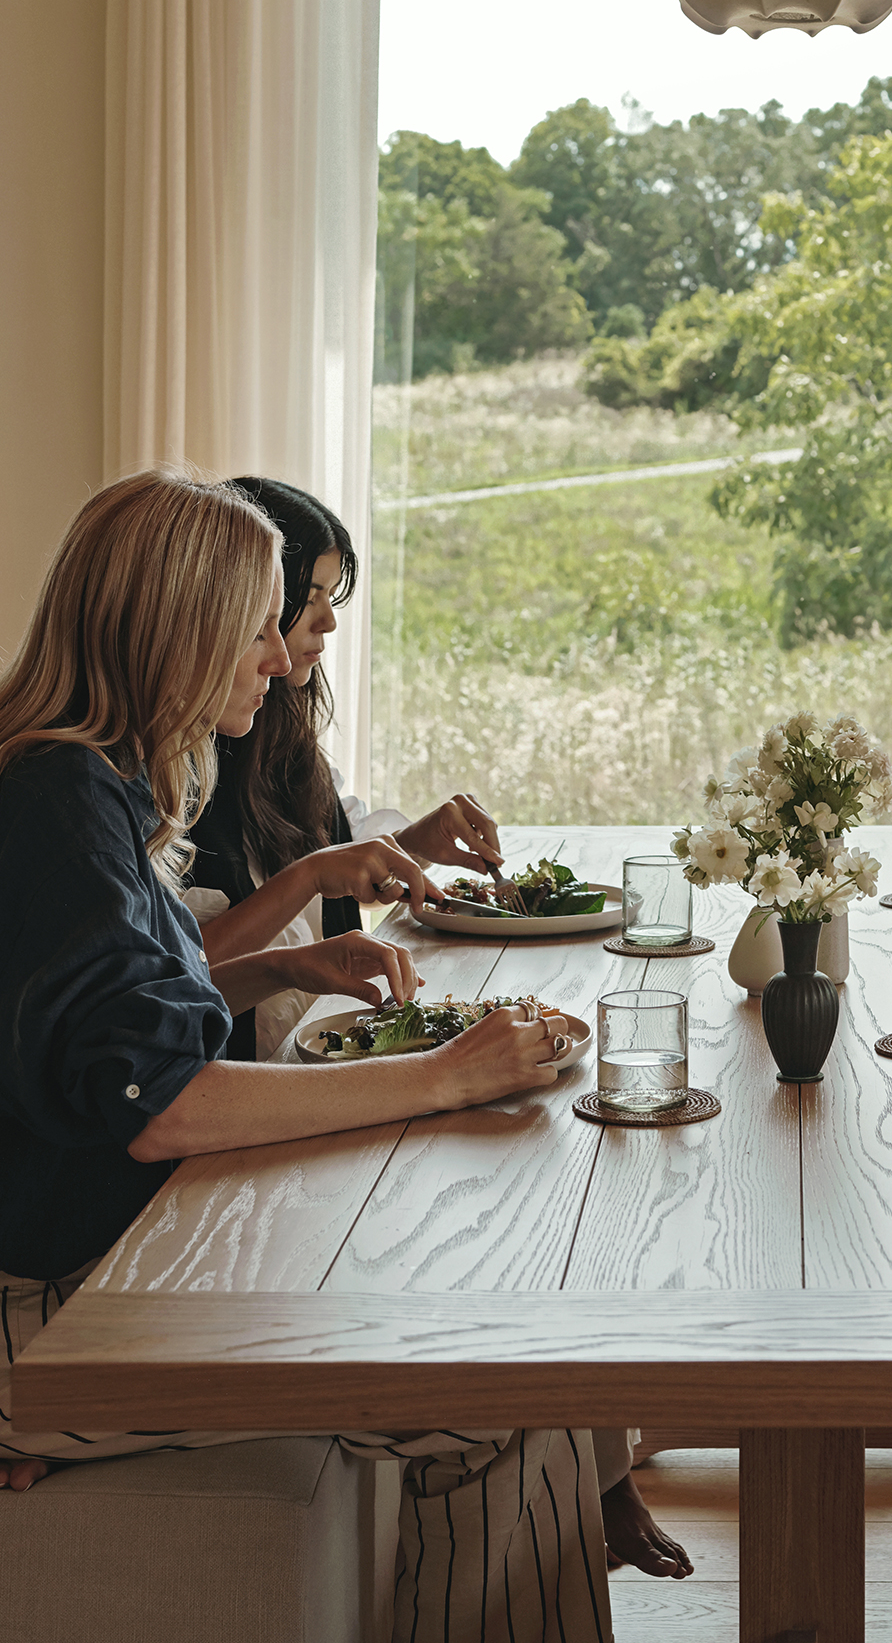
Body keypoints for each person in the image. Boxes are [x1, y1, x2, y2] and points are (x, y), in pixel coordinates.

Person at [0, 468, 613, 1640]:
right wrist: (444, 1076)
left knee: (492, 1334)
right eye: (259, 625)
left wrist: (271, 971)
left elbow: (74, 1054)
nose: (279, 660)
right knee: (500, 1403)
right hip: (30, 1334)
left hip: (66, 1292)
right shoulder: (59, 807)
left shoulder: (78, 783)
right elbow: (155, 1105)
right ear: (175, 629)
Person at [179, 473, 692, 1583]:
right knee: (507, 1195)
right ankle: (589, 1481)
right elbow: (182, 987)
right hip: (265, 1090)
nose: (305, 638)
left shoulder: (267, 731)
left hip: (295, 1053)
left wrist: (382, 853)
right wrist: (321, 890)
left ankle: (601, 1478)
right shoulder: (150, 777)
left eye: (319, 608)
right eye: (295, 609)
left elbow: (270, 918)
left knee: (527, 1172)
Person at [179, 476, 503, 1063]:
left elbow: (319, 877)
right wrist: (309, 875)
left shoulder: (278, 735)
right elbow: (172, 974)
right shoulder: (183, 760)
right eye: (308, 600)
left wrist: (409, 844)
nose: (327, 623)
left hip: (311, 1054)